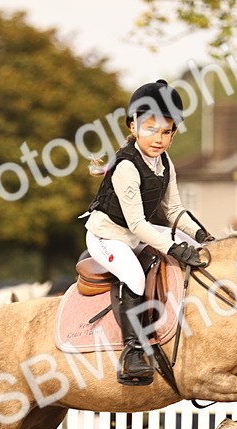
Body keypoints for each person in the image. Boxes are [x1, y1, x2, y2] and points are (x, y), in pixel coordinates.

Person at [84, 79, 212, 385]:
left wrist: (203, 236)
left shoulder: (165, 162)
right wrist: (176, 247)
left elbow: (173, 211)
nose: (159, 138)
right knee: (135, 275)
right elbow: (137, 224)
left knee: (177, 263)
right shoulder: (127, 166)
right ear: (133, 126)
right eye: (151, 128)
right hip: (107, 235)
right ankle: (132, 352)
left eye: (166, 131)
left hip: (136, 234)